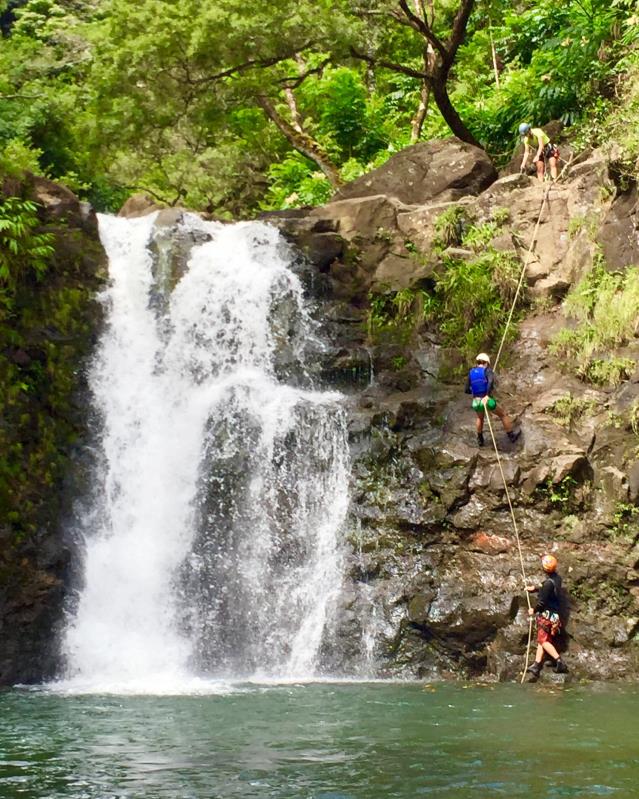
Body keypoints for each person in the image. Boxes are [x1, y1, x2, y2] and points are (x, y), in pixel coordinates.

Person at [525, 554, 569, 681]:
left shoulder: (548, 584)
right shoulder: (557, 579)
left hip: (547, 616)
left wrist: (533, 610)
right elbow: (547, 588)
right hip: (554, 616)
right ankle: (537, 664)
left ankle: (559, 661)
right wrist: (535, 589)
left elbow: (542, 602)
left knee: (544, 641)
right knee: (542, 639)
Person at [465, 352, 520, 447]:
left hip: (476, 401)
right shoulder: (487, 370)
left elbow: (466, 389)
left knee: (480, 418)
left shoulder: (471, 373)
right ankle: (511, 436)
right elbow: (490, 382)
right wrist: (486, 395)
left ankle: (480, 440)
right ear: (486, 362)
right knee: (503, 415)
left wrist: (475, 393)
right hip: (486, 400)